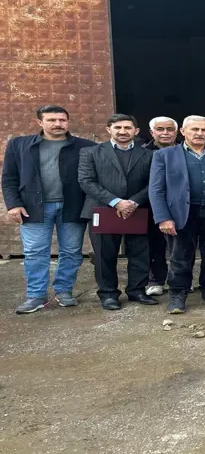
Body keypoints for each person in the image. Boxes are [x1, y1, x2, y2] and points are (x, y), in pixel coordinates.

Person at [2, 105, 95, 314]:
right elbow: (9, 178)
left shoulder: (85, 146)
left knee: (71, 251)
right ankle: (36, 295)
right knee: (35, 252)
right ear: (40, 122)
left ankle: (64, 291)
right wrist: (13, 204)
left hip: (72, 206)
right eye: (52, 120)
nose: (57, 124)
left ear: (68, 122)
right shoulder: (19, 145)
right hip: (33, 207)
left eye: (62, 120)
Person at [148, 115, 205, 314]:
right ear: (183, 131)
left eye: (203, 130)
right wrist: (163, 217)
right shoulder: (165, 155)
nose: (199, 133)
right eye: (194, 130)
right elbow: (156, 189)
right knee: (180, 256)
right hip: (182, 213)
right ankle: (177, 294)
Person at [78, 114, 156, 310]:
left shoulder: (149, 155)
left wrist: (134, 201)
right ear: (108, 129)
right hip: (103, 208)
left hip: (137, 209)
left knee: (140, 253)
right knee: (105, 255)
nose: (123, 131)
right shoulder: (90, 152)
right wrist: (116, 202)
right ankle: (108, 294)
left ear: (136, 131)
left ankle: (137, 290)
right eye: (118, 127)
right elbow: (86, 181)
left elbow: (153, 183)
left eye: (128, 128)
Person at [143, 116, 179, 296]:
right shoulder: (142, 152)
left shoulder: (185, 151)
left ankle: (179, 280)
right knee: (153, 245)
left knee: (179, 247)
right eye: (160, 129)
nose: (165, 133)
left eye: (169, 129)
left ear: (176, 131)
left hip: (178, 206)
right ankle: (155, 280)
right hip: (149, 205)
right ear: (152, 132)